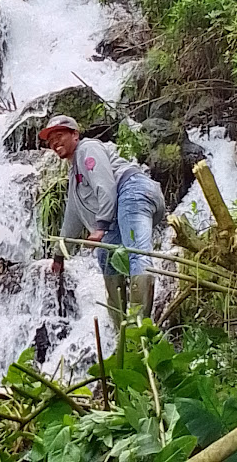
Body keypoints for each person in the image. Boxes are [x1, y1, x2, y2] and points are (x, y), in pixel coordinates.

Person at [39, 115, 165, 325]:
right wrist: (59, 256)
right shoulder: (75, 177)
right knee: (107, 258)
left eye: (59, 136)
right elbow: (72, 216)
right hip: (120, 207)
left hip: (133, 191)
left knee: (136, 252)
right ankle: (121, 331)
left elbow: (105, 185)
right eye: (50, 141)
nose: (55, 143)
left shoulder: (87, 149)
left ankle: (140, 328)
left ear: (75, 135)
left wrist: (100, 227)